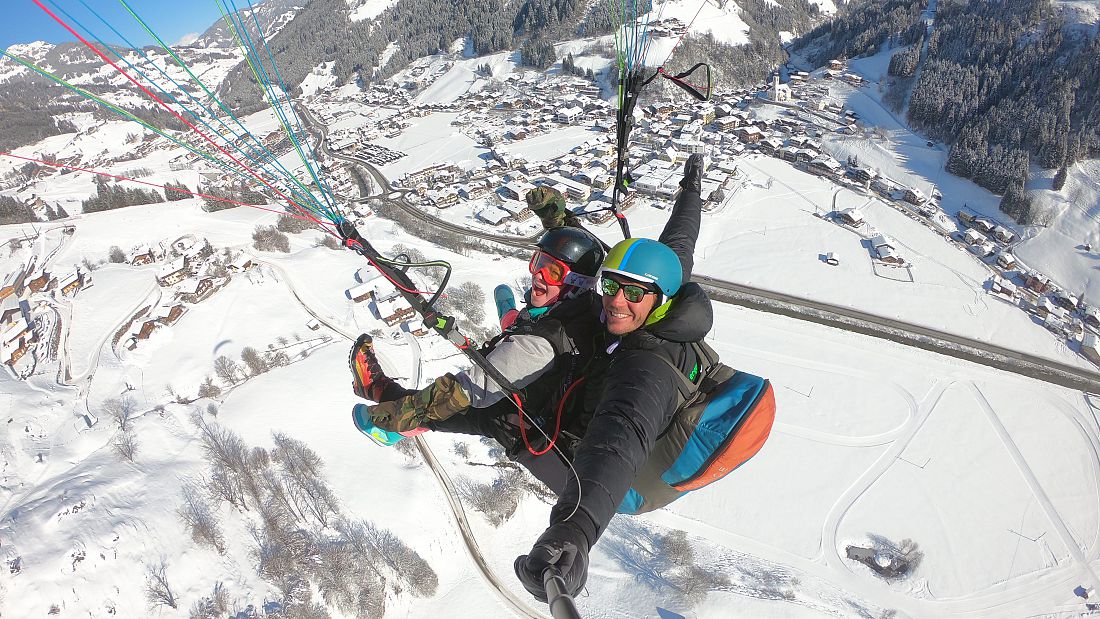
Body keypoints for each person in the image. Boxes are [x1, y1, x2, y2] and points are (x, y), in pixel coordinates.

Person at [513, 153, 710, 602]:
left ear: (656, 298)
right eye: (612, 286)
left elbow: (620, 438)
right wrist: (691, 187)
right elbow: (680, 237)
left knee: (508, 419)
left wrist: (575, 531)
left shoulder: (648, 366)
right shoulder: (664, 282)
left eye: (633, 292)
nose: (618, 300)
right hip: (608, 424)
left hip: (602, 467)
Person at [350, 187, 606, 491]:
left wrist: (393, 418)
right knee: (515, 320)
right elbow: (587, 258)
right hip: (550, 382)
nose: (537, 274)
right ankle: (384, 397)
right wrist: (558, 220)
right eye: (537, 262)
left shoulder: (535, 347)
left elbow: (460, 392)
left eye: (552, 272)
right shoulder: (589, 303)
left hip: (532, 426)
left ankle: (383, 407)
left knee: (468, 407)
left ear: (575, 284)